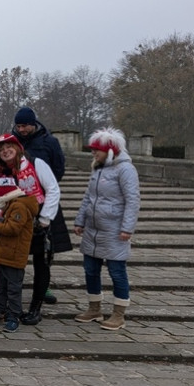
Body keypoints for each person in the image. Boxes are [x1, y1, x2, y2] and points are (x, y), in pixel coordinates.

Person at [0, 133, 62, 325]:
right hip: (9, 228)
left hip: (37, 221)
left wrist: (45, 219)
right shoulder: (2, 173)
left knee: (35, 269)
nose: (5, 151)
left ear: (17, 148)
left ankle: (31, 309)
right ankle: (1, 310)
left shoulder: (36, 164)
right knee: (6, 274)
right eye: (1, 149)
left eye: (9, 147)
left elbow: (53, 189)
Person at [73, 128, 141, 330]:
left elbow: (132, 200)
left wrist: (127, 228)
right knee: (90, 270)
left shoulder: (125, 170)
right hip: (93, 229)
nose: (94, 153)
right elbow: (89, 197)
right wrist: (80, 220)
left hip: (114, 230)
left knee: (117, 272)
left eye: (97, 150)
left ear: (110, 150)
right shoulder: (98, 168)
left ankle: (119, 314)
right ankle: (94, 308)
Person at [11, 106, 70, 304]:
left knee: (43, 252)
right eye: (19, 126)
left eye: (25, 125)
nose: (22, 129)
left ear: (33, 123)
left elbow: (58, 168)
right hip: (17, 202)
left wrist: (42, 186)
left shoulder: (49, 142)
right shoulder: (12, 142)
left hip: (43, 200)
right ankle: (13, 285)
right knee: (16, 248)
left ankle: (44, 286)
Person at [0, 187, 39, 332]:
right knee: (1, 286)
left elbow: (13, 228)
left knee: (13, 288)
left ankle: (13, 316)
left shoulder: (18, 206)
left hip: (14, 255)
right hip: (3, 254)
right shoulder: (9, 205)